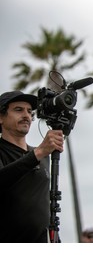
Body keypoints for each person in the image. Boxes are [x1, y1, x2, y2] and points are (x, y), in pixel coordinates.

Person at [0, 91, 64, 243]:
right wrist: (38, 152)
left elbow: (45, 205)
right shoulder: (39, 153)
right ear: (1, 117)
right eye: (18, 110)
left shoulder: (42, 156)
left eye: (30, 111)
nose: (26, 116)